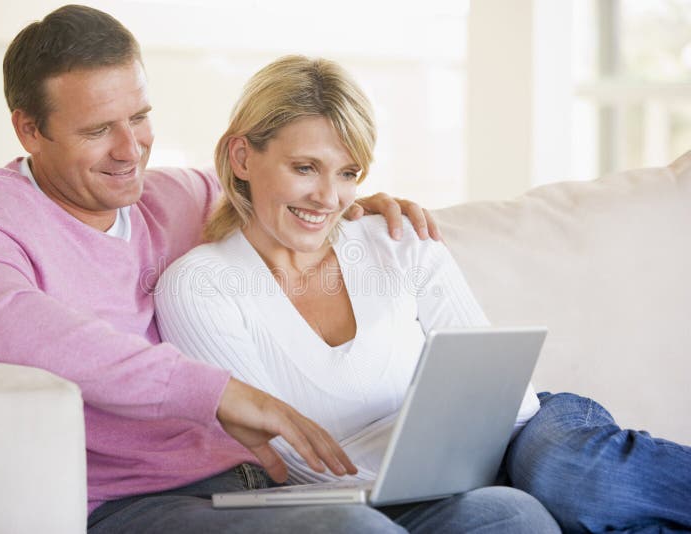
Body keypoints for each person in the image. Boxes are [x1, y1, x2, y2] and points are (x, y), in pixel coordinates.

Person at [0, 5, 452, 534]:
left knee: (498, 512)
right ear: (29, 130)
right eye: (97, 130)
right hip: (144, 501)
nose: (130, 150)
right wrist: (214, 391)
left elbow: (276, 185)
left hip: (271, 485)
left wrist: (348, 203)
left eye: (138, 117)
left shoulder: (177, 197)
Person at [154, 55, 691, 534]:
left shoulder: (395, 239)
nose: (329, 197)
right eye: (304, 168)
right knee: (521, 513)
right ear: (242, 158)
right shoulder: (200, 288)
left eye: (347, 173)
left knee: (571, 477)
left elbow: (501, 390)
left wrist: (462, 467)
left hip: (525, 434)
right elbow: (298, 461)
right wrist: (444, 477)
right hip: (413, 490)